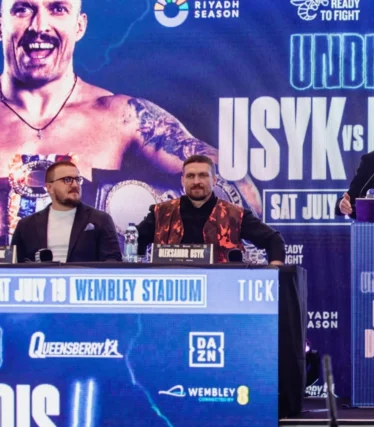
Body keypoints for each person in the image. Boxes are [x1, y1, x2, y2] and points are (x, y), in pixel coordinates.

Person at [0, 0, 261, 243]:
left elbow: (239, 187)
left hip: (94, 289)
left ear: (79, 26)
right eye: (22, 9)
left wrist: (139, 210)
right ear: (1, 24)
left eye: (58, 9)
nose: (39, 26)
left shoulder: (124, 117)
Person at [136, 155, 285, 264]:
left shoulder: (235, 215)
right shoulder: (161, 213)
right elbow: (135, 242)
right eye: (190, 176)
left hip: (222, 297)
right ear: (182, 180)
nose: (196, 182)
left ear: (214, 180)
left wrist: (274, 274)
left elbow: (273, 240)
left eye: (203, 176)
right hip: (171, 297)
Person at [11, 160, 121, 262]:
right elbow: (13, 265)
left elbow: (112, 262)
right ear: (49, 187)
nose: (74, 185)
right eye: (67, 180)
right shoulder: (26, 225)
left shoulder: (100, 220)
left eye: (78, 179)